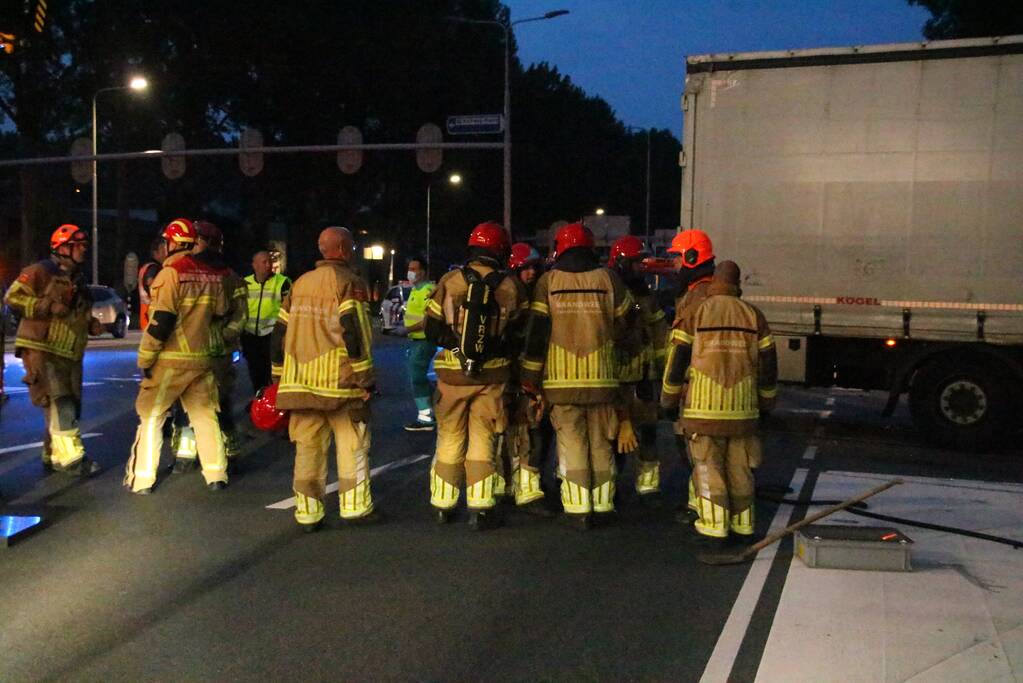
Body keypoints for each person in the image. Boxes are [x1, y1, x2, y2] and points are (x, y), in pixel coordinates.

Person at [520, 223, 634, 530]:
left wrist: (530, 378)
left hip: (561, 383)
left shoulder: (548, 282)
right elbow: (628, 321)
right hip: (603, 380)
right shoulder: (609, 279)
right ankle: (603, 505)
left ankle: (579, 509)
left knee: (571, 444)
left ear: (560, 248)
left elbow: (537, 333)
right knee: (601, 444)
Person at [661, 261, 778, 547]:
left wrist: (668, 400)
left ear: (714, 282)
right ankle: (743, 526)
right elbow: (769, 366)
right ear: (738, 284)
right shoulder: (754, 315)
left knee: (708, 467)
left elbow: (677, 361)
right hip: (743, 410)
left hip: (703, 410)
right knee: (740, 469)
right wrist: (766, 403)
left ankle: (713, 529)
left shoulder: (695, 313)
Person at [270, 227, 377, 531]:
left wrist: (278, 376)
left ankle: (308, 513)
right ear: (342, 249)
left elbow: (279, 334)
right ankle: (355, 507)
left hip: (300, 384)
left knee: (307, 449)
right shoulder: (349, 283)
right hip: (341, 384)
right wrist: (365, 379)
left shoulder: (300, 283)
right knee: (352, 445)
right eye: (352, 247)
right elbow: (354, 332)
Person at [423, 221, 525, 530]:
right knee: (483, 438)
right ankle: (480, 507)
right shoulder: (511, 286)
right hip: (491, 376)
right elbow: (520, 334)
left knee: (450, 437)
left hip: (452, 375)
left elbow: (431, 329)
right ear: (502, 250)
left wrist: (457, 346)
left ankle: (443, 504)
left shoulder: (451, 280)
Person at [123, 218, 230, 494]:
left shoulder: (170, 274)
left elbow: (161, 322)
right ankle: (216, 475)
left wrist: (145, 359)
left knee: (152, 417)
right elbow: (221, 312)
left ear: (171, 243)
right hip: (202, 358)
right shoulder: (209, 274)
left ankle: (142, 480)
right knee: (205, 416)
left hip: (170, 360)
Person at [4, 225, 103, 474]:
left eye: (84, 245)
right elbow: (13, 297)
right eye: (78, 245)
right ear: (62, 248)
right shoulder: (40, 271)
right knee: (61, 401)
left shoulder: (78, 279)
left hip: (69, 352)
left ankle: (52, 453)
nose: (83, 250)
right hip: (42, 348)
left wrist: (90, 323)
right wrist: (47, 306)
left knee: (67, 404)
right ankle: (71, 459)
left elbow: (77, 312)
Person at [171, 220, 248, 473]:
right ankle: (187, 454)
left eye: (197, 240)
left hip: (214, 351)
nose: (192, 245)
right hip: (193, 349)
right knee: (189, 403)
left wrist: (225, 334)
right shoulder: (187, 272)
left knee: (218, 401)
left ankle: (226, 450)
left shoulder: (229, 277)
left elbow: (240, 314)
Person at [609, 235, 668, 503]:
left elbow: (659, 331)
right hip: (618, 375)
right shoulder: (613, 291)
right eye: (634, 262)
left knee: (648, 430)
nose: (639, 268)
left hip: (644, 375)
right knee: (614, 435)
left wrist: (662, 370)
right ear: (621, 263)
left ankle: (648, 485)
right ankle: (610, 483)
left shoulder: (645, 294)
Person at [666, 228, 716, 522]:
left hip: (695, 387)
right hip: (715, 386)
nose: (674, 264)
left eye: (677, 257)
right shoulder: (709, 291)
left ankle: (703, 509)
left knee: (696, 451)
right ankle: (698, 503)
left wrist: (670, 394)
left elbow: (682, 348)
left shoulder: (696, 297)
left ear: (692, 257)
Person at [503, 242, 554, 515]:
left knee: (530, 430)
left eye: (535, 267)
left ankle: (518, 485)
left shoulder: (533, 294)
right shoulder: (516, 296)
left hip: (524, 374)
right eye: (525, 268)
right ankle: (526, 489)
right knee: (528, 431)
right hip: (517, 374)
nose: (531, 272)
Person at [241, 250, 290, 392]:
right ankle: (259, 398)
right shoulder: (245, 283)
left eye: (270, 261)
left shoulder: (282, 282)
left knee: (272, 372)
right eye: (264, 262)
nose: (268, 265)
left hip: (272, 336)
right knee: (255, 372)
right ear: (254, 265)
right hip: (250, 336)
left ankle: (272, 398)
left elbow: (289, 309)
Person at [402, 256, 437, 431]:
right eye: (409, 268)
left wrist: (406, 330)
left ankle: (426, 418)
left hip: (424, 340)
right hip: (416, 340)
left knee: (417, 378)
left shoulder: (428, 290)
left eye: (414, 269)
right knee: (419, 377)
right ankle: (437, 405)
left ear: (423, 272)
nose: (410, 272)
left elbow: (427, 320)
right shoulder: (416, 290)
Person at [138, 235, 168, 330]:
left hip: (146, 315)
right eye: (163, 251)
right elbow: (150, 281)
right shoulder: (154, 268)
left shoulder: (146, 266)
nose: (166, 254)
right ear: (156, 253)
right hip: (152, 316)